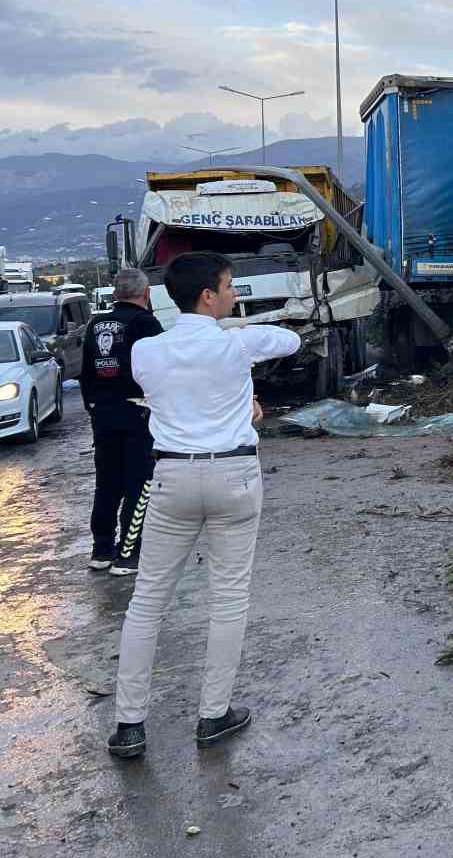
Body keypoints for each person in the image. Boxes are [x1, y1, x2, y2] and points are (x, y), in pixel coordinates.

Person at [107, 252, 300, 760]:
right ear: (209, 296)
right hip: (233, 473)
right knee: (228, 599)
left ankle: (130, 726)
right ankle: (213, 715)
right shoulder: (237, 342)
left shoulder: (146, 351)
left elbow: (173, 392)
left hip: (171, 474)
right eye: (231, 286)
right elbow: (292, 339)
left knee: (147, 601)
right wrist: (245, 396)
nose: (236, 294)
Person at [82, 268, 163, 576]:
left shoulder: (96, 323)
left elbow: (86, 371)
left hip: (103, 413)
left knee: (107, 482)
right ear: (146, 294)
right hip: (137, 411)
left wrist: (94, 406)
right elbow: (159, 368)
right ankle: (128, 554)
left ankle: (101, 550)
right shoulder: (146, 323)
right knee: (138, 483)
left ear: (115, 294)